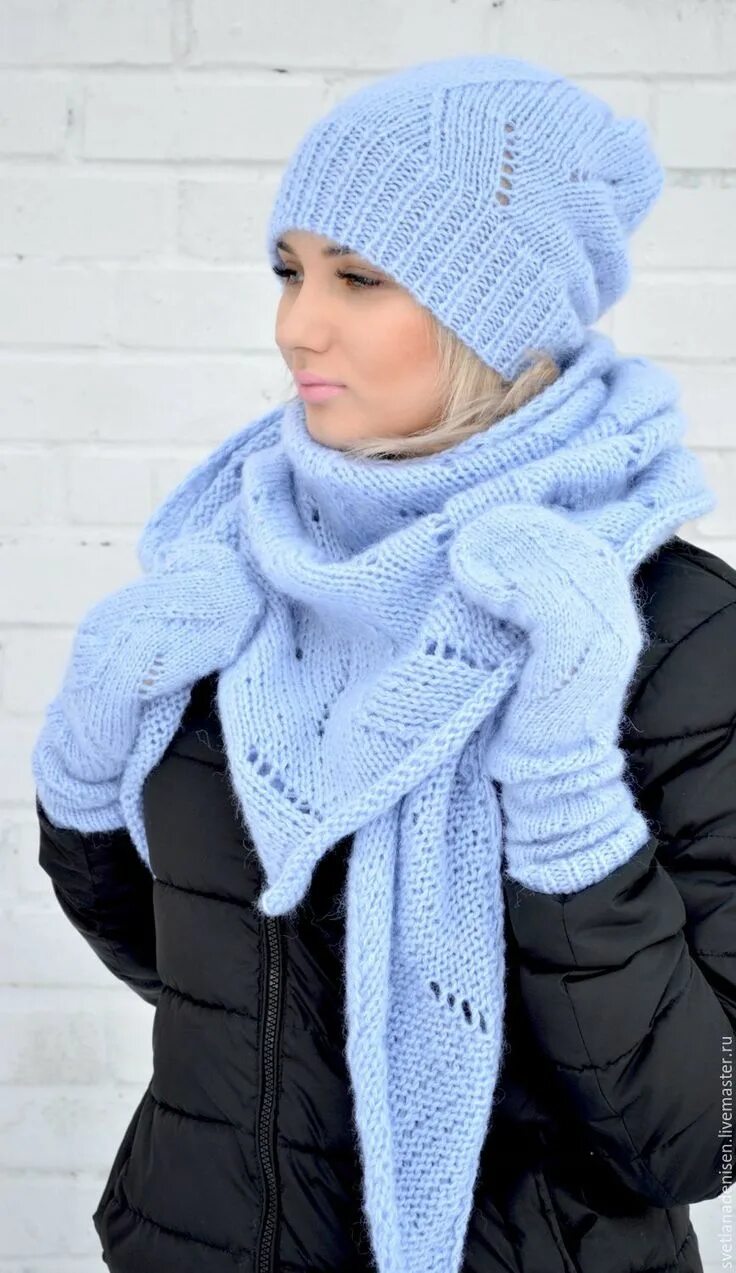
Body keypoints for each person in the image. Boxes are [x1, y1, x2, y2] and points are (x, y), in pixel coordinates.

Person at [32, 53, 736, 1273]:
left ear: (497, 314)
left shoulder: (663, 628)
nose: (296, 324)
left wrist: (563, 784)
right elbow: (197, 975)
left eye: (358, 278)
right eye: (290, 270)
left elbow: (696, 1137)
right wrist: (88, 757)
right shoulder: (233, 571)